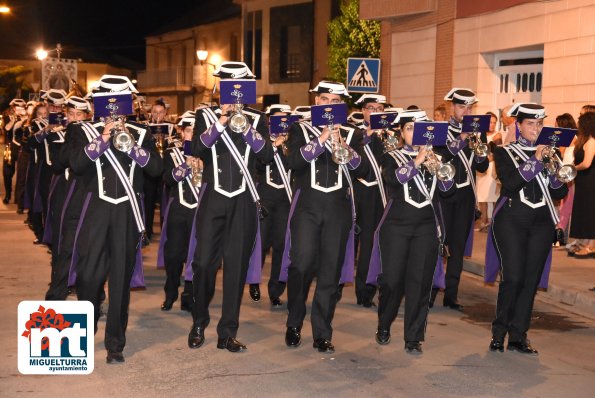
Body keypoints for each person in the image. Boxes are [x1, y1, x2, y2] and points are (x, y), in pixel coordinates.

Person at [68, 75, 163, 364]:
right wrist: (105, 137)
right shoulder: (82, 130)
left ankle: (115, 343)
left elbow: (157, 169)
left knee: (121, 280)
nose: (115, 111)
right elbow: (76, 165)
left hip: (126, 214)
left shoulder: (141, 132)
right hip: (95, 211)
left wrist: (132, 145)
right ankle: (85, 327)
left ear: (129, 103)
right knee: (88, 277)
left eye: (120, 102)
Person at [185, 62, 274, 353]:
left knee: (236, 268)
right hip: (214, 199)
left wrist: (246, 127)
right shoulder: (205, 115)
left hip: (244, 201)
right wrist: (221, 122)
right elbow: (197, 149)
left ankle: (227, 332)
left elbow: (266, 156)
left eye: (239, 86)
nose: (233, 93)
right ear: (219, 87)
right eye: (227, 85)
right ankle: (199, 322)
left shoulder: (258, 119)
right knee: (204, 264)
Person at [282, 81, 368, 353]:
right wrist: (321, 139)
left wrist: (342, 142)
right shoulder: (300, 128)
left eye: (334, 100)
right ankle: (294, 321)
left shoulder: (352, 134)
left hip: (337, 210)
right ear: (316, 102)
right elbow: (293, 162)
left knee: (330, 272)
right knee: (302, 265)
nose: (328, 104)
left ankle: (322, 332)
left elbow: (363, 169)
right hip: (307, 207)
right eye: (323, 99)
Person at [369, 109, 455, 353]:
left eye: (420, 130)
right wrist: (417, 161)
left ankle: (413, 337)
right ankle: (384, 324)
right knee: (392, 281)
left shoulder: (436, 158)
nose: (414, 134)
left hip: (426, 227)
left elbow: (449, 192)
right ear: (401, 132)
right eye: (409, 129)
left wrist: (439, 168)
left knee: (420, 283)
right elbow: (393, 180)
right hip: (396, 227)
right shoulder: (391, 157)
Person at [488, 103, 568, 354]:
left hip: (541, 223)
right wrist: (535, 160)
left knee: (530, 280)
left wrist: (555, 172)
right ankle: (499, 332)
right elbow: (510, 184)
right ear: (519, 126)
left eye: (539, 124)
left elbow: (560, 192)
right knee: (513, 278)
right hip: (511, 220)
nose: (536, 128)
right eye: (531, 124)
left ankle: (518, 336)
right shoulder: (504, 153)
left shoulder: (551, 155)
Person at [434, 88, 489, 310]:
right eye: (461, 107)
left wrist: (480, 151)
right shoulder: (440, 130)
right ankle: (430, 290)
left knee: (457, 246)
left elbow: (483, 167)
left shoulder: (479, 132)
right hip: (443, 194)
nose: (466, 111)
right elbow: (440, 157)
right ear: (451, 107)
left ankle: (451, 295)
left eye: (469, 107)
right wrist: (462, 139)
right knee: (438, 243)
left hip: (466, 195)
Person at [44, 96, 92, 300]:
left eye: (79, 115)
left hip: (89, 195)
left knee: (89, 249)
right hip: (68, 193)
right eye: (70, 114)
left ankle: (91, 297)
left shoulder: (95, 134)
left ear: (87, 116)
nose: (74, 119)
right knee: (65, 246)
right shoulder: (63, 135)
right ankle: (57, 294)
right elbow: (56, 164)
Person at [248, 104, 293, 307]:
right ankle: (254, 281)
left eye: (286, 119)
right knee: (261, 243)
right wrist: (273, 144)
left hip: (285, 198)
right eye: (278, 119)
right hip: (265, 196)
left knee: (281, 245)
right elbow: (256, 165)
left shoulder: (294, 140)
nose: (282, 123)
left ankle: (275, 289)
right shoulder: (262, 140)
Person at [351, 93, 389, 308]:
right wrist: (369, 133)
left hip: (384, 194)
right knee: (361, 244)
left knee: (378, 244)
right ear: (364, 111)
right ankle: (361, 290)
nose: (375, 112)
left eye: (379, 108)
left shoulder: (390, 134)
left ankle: (375, 288)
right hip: (362, 192)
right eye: (371, 108)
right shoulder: (355, 132)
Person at [157, 115, 199, 311]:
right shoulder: (171, 153)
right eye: (189, 131)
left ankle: (189, 295)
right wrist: (186, 165)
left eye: (196, 131)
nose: (192, 135)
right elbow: (168, 179)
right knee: (173, 255)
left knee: (196, 255)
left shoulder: (208, 153)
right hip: (178, 210)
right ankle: (171, 291)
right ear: (182, 132)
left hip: (200, 211)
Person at [569, 112, 595, 258]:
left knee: (590, 212)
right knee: (583, 210)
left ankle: (591, 245)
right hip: (583, 181)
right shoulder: (584, 140)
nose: (578, 126)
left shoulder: (592, 141)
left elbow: (586, 163)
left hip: (590, 181)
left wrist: (572, 168)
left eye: (580, 124)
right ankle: (584, 241)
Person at [475, 112, 502, 232]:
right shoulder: (479, 134)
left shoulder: (497, 135)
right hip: (481, 169)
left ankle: (495, 221)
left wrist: (486, 160)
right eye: (490, 122)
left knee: (493, 196)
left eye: (494, 122)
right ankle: (483, 220)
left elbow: (497, 153)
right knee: (482, 196)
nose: (492, 124)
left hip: (492, 168)